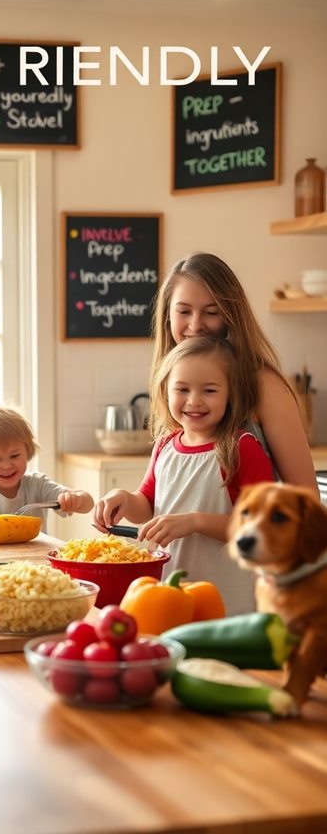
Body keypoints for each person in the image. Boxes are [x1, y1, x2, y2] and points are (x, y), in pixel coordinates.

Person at [93, 337, 275, 615]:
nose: (194, 401)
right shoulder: (165, 445)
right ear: (166, 391)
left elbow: (262, 530)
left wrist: (195, 521)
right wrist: (124, 500)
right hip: (166, 595)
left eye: (209, 390)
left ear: (232, 393)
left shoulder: (242, 448)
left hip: (228, 603)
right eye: (182, 389)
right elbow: (147, 505)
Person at [150, 251, 319, 497]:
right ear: (167, 316)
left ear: (231, 315)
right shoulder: (170, 382)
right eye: (184, 311)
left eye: (211, 312)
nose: (196, 325)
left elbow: (306, 500)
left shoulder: (263, 384)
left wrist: (196, 523)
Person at [0, 407, 94, 529]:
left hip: (34, 561)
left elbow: (88, 504)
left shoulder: (37, 484)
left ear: (27, 450)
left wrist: (75, 499)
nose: (7, 465)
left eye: (14, 456)